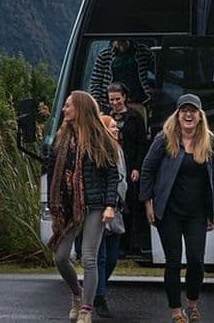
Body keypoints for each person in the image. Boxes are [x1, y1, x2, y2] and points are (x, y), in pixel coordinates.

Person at [139, 93, 214, 323]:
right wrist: (148, 203)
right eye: (184, 110)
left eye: (192, 111)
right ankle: (176, 311)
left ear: (199, 115)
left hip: (196, 213)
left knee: (196, 260)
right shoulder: (164, 139)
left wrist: (211, 210)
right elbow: (147, 169)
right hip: (169, 212)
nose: (188, 114)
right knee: (173, 261)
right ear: (177, 115)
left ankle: (192, 305)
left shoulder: (210, 140)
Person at [48, 91, 120, 323]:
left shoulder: (100, 137)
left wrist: (111, 204)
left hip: (95, 205)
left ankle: (86, 310)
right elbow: (54, 173)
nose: (64, 109)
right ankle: (77, 295)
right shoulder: (63, 137)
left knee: (89, 258)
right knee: (60, 256)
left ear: (79, 108)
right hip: (70, 206)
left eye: (68, 105)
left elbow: (112, 174)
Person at [106, 82, 149, 255]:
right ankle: (118, 243)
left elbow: (141, 144)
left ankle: (133, 243)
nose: (115, 103)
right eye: (111, 100)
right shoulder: (106, 117)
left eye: (117, 99)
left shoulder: (134, 117)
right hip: (113, 164)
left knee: (131, 203)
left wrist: (137, 167)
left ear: (124, 97)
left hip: (131, 165)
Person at [93, 114, 127, 318]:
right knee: (101, 256)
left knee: (113, 256)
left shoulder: (119, 149)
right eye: (112, 127)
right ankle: (100, 296)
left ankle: (97, 287)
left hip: (118, 210)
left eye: (116, 127)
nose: (116, 130)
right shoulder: (100, 150)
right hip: (103, 208)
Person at [89, 39, 154, 116]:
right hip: (111, 105)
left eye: (123, 41)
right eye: (118, 42)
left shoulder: (143, 52)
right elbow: (96, 81)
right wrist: (96, 103)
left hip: (137, 102)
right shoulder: (105, 55)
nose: (121, 46)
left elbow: (157, 68)